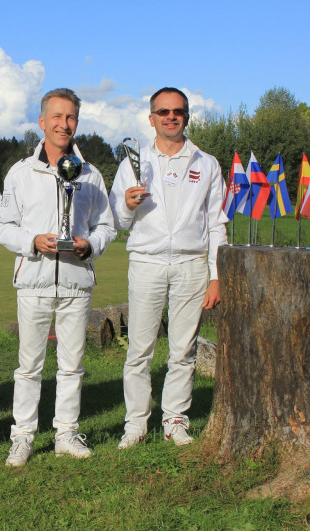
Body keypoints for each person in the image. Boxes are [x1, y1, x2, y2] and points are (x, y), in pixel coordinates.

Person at [0, 88, 115, 467]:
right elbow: (2, 227)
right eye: (58, 117)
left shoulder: (91, 174)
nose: (65, 125)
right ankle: (23, 436)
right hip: (34, 280)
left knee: (72, 365)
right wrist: (32, 240)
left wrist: (88, 245)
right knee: (29, 366)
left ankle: (66, 432)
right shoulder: (21, 172)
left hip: (77, 281)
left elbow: (106, 226)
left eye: (71, 118)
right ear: (42, 122)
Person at [109, 87, 228, 449]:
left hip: (192, 265)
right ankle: (136, 423)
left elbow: (216, 224)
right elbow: (116, 219)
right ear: (152, 118)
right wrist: (128, 205)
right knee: (139, 350)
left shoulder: (206, 163)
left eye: (178, 111)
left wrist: (217, 275)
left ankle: (175, 419)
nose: (171, 117)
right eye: (163, 112)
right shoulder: (135, 162)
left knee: (184, 349)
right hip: (147, 261)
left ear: (187, 116)